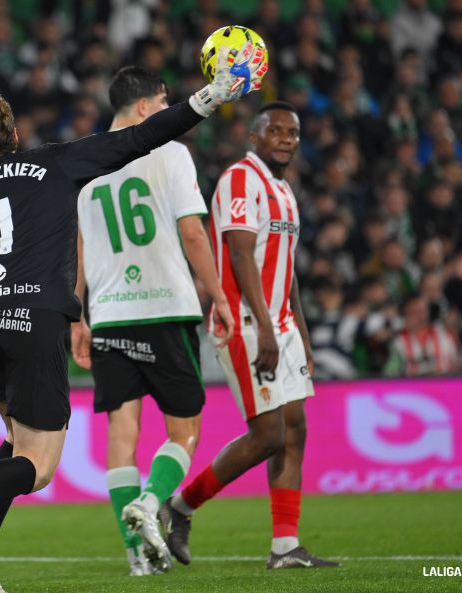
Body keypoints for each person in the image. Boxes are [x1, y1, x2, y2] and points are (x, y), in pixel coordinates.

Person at [0, 43, 267, 593]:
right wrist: (210, 97)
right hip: (34, 318)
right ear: (12, 134)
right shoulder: (52, 163)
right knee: (36, 468)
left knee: (17, 444)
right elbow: (141, 137)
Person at [69, 66, 235, 576]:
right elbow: (192, 234)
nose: (168, 113)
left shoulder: (84, 161)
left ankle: (135, 554)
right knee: (184, 430)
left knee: (123, 432)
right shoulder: (171, 153)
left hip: (109, 316)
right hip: (164, 307)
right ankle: (148, 501)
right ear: (144, 107)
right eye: (164, 104)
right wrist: (219, 295)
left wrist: (77, 316)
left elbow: (75, 247)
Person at [160, 102, 338, 569]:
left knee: (294, 429)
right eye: (275, 130)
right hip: (243, 322)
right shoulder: (241, 179)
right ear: (254, 136)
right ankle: (180, 507)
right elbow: (240, 256)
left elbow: (287, 269)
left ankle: (285, 547)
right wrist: (265, 329)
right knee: (268, 435)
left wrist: (299, 330)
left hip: (280, 325)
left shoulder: (283, 190)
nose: (286, 138)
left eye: (293, 132)